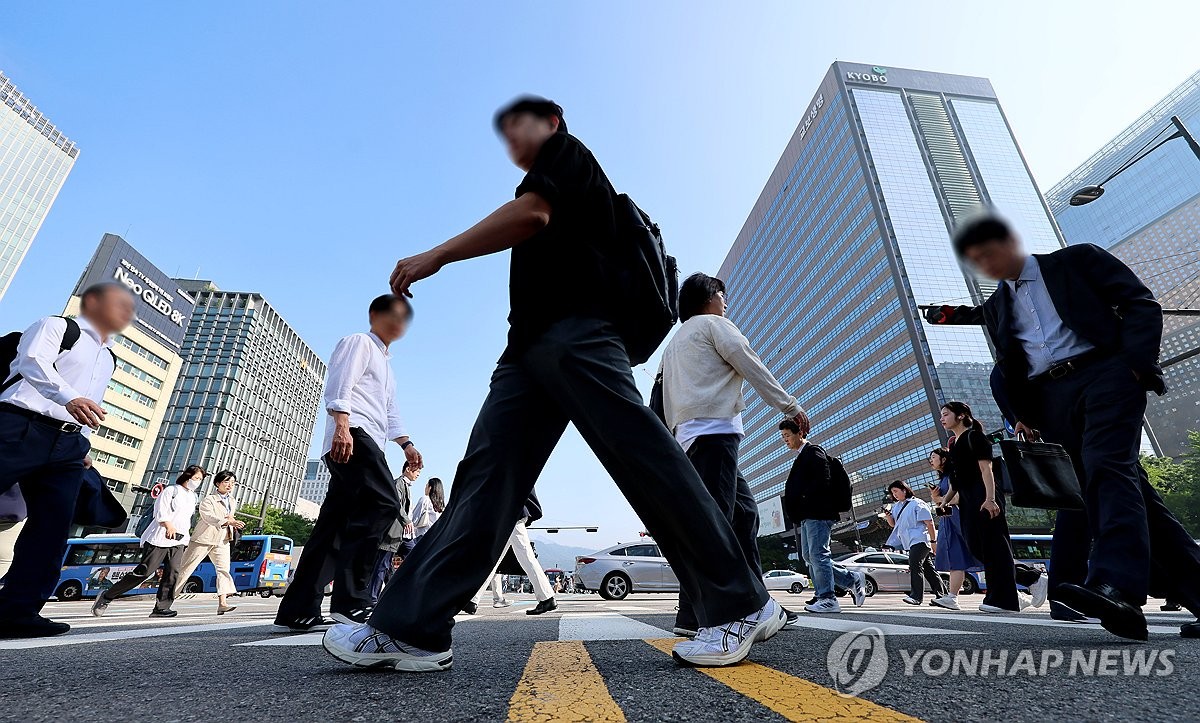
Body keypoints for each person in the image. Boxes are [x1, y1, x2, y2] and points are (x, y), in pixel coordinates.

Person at [323, 96, 783, 673]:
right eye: (505, 133)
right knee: (484, 482)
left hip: (580, 333)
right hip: (526, 351)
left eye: (521, 125)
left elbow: (532, 215)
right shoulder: (548, 173)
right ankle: (411, 626)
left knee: (642, 456)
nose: (513, 139)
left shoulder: (568, 156)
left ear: (553, 121)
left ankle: (741, 603)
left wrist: (437, 254)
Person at [927, 214, 1200, 640]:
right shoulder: (1000, 304)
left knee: (1107, 468)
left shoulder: (1076, 261)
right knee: (1124, 490)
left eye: (989, 252)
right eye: (976, 260)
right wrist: (948, 317)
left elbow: (1140, 302)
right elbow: (990, 328)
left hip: (1106, 373)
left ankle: (1116, 588)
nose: (986, 264)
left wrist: (1134, 364)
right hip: (1052, 399)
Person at [658, 272, 810, 635]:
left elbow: (661, 398)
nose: (726, 303)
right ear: (709, 296)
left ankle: (760, 603)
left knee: (744, 516)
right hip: (715, 432)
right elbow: (748, 360)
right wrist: (788, 405)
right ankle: (693, 614)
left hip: (689, 438)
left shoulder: (674, 343)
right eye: (723, 295)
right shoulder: (714, 324)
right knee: (716, 525)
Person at [275, 295, 423, 633]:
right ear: (374, 315)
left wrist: (406, 443)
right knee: (383, 504)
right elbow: (340, 385)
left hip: (368, 437)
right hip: (354, 435)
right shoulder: (359, 342)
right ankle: (351, 601)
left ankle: (298, 609)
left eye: (405, 318)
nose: (399, 322)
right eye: (392, 314)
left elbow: (389, 412)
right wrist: (341, 425)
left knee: (333, 525)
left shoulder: (387, 365)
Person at [0, 282, 134, 638]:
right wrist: (67, 397)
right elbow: (31, 361)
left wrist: (85, 445)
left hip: (69, 445)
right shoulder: (58, 327)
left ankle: (17, 611)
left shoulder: (109, 357)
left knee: (52, 527)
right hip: (19, 426)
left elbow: (93, 401)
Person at [939, 402, 1047, 614]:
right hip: (967, 501)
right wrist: (945, 500)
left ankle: (1004, 599)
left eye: (946, 414)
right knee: (977, 548)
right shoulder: (954, 444)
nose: (942, 418)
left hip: (984, 496)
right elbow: (956, 479)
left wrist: (990, 498)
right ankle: (1030, 579)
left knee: (994, 547)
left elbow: (986, 469)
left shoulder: (975, 437)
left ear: (961, 416)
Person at [779, 420, 866, 614]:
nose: (785, 440)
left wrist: (803, 498)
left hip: (818, 512)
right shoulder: (802, 456)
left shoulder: (813, 451)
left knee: (818, 555)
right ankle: (851, 579)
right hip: (809, 514)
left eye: (787, 435)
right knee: (810, 556)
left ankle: (827, 598)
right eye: (783, 437)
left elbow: (823, 478)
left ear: (799, 433)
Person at [93, 465, 203, 618]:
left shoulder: (193, 496)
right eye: (196, 478)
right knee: (144, 572)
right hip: (159, 537)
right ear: (187, 476)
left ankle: (161, 608)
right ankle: (107, 596)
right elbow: (160, 511)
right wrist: (168, 525)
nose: (197, 482)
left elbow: (186, 518)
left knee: (172, 574)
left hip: (179, 540)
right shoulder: (172, 490)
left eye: (200, 479)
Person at [465, 492, 555, 616]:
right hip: (510, 513)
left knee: (525, 556)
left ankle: (547, 598)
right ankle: (473, 600)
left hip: (511, 513)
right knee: (496, 558)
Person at [173, 470, 244, 614]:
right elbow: (208, 517)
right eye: (226, 482)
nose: (230, 485)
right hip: (203, 538)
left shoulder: (232, 501)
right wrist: (227, 521)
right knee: (186, 568)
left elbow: (230, 518)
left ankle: (222, 603)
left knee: (223, 570)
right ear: (218, 483)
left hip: (222, 539)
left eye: (232, 483)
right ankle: (167, 598)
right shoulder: (209, 500)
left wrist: (233, 523)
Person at [882, 480, 950, 608]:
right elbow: (893, 525)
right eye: (892, 493)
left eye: (896, 491)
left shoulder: (917, 503)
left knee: (914, 565)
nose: (894, 494)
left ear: (904, 490)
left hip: (921, 540)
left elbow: (929, 523)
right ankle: (942, 595)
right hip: (910, 542)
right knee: (929, 569)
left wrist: (933, 541)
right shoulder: (897, 506)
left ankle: (916, 596)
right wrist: (888, 516)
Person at [928, 447, 977, 610]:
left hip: (957, 520)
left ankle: (1027, 581)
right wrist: (936, 499)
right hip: (949, 521)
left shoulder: (951, 476)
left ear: (944, 459)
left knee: (978, 555)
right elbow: (944, 502)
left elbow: (955, 498)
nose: (931, 460)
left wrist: (937, 498)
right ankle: (952, 597)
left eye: (933, 457)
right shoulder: (943, 478)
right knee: (956, 560)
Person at [371, 463, 418, 603]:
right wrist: (407, 521)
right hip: (393, 531)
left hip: (401, 533)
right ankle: (372, 597)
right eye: (417, 470)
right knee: (383, 564)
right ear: (408, 469)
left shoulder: (406, 485)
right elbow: (396, 504)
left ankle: (381, 595)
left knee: (387, 563)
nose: (418, 474)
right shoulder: (398, 483)